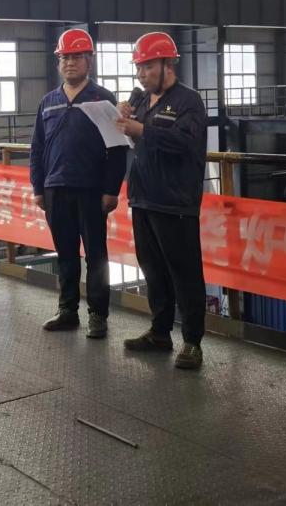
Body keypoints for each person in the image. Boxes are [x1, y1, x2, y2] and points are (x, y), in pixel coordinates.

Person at [115, 31, 208, 370]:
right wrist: (123, 116)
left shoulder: (188, 101)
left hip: (174, 202)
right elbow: (133, 138)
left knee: (184, 273)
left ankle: (193, 342)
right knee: (153, 271)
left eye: (148, 67)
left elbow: (185, 143)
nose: (142, 75)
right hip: (143, 199)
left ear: (168, 64)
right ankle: (159, 332)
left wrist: (141, 130)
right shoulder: (142, 100)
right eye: (139, 68)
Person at [31, 29, 127, 339]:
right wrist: (37, 188)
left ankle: (98, 315)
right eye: (65, 58)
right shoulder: (48, 102)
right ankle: (67, 311)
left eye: (76, 57)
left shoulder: (103, 98)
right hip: (55, 189)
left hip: (91, 190)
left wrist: (111, 189)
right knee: (66, 254)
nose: (70, 63)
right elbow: (37, 148)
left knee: (96, 255)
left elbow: (117, 148)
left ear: (89, 61)